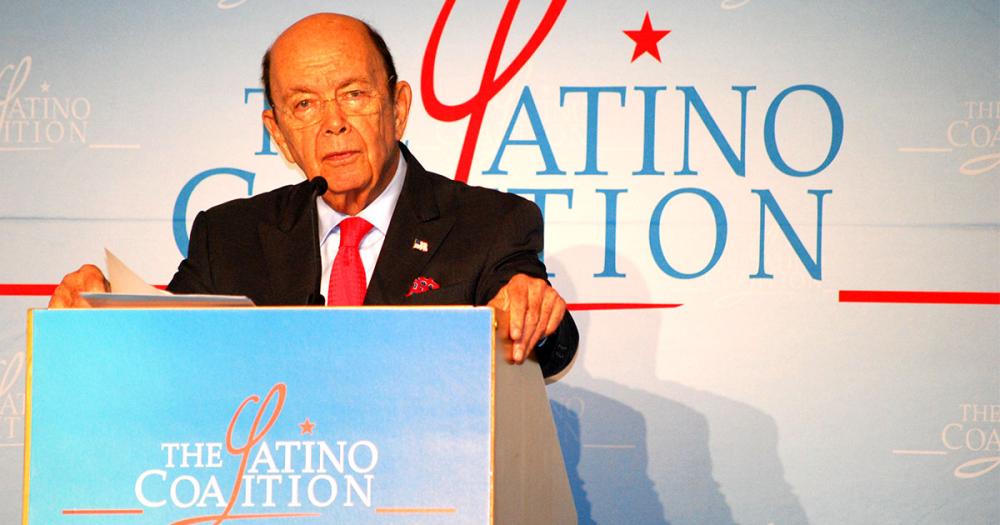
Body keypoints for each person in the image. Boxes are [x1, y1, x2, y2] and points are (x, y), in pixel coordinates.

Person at [49, 13, 577, 377]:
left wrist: (533, 312)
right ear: (278, 133)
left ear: (398, 108)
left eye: (353, 94)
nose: (333, 124)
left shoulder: (490, 223)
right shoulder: (228, 235)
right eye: (304, 105)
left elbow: (546, 344)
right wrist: (102, 318)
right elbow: (174, 346)